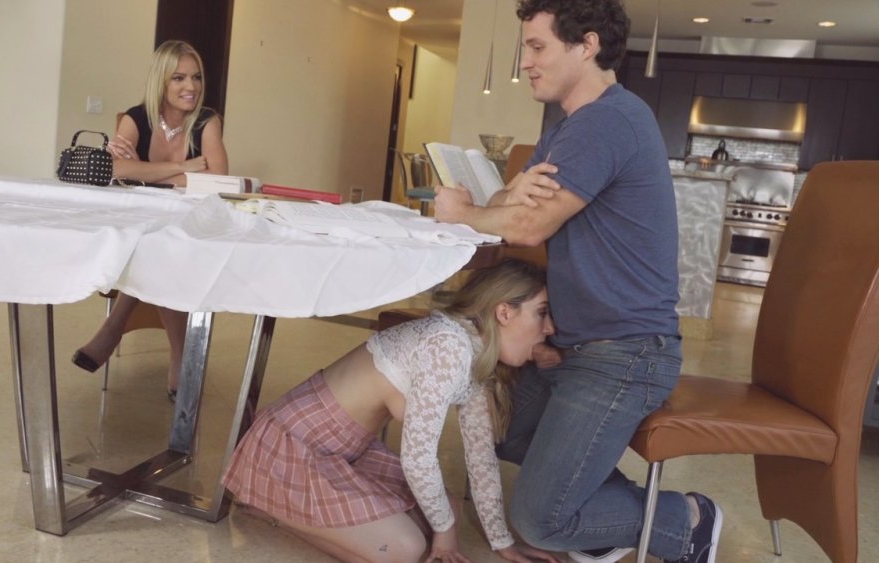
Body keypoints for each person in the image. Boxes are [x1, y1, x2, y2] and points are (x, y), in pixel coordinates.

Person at [433, 1, 723, 562]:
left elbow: (523, 223)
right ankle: (600, 517)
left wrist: (461, 213)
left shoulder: (606, 122)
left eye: (538, 47)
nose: (527, 64)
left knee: (541, 520)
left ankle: (687, 519)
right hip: (578, 344)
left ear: (585, 46)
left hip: (627, 350)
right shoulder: (572, 128)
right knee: (506, 433)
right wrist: (498, 205)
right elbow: (507, 201)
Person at [222, 259, 560, 563]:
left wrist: (502, 543)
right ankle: (268, 503)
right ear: (504, 312)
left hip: (345, 455)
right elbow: (418, 458)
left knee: (446, 509)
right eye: (542, 313)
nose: (549, 329)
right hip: (291, 447)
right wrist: (446, 535)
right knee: (405, 548)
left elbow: (480, 458)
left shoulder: (475, 352)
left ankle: (290, 505)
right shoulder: (448, 346)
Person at [71, 40, 228, 400]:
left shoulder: (207, 121)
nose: (191, 87)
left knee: (163, 248)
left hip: (190, 223)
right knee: (156, 246)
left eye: (196, 77)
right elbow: (112, 168)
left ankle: (112, 330)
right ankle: (181, 356)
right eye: (179, 78)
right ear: (161, 81)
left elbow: (217, 180)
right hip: (143, 221)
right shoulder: (137, 117)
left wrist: (144, 172)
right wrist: (180, 168)